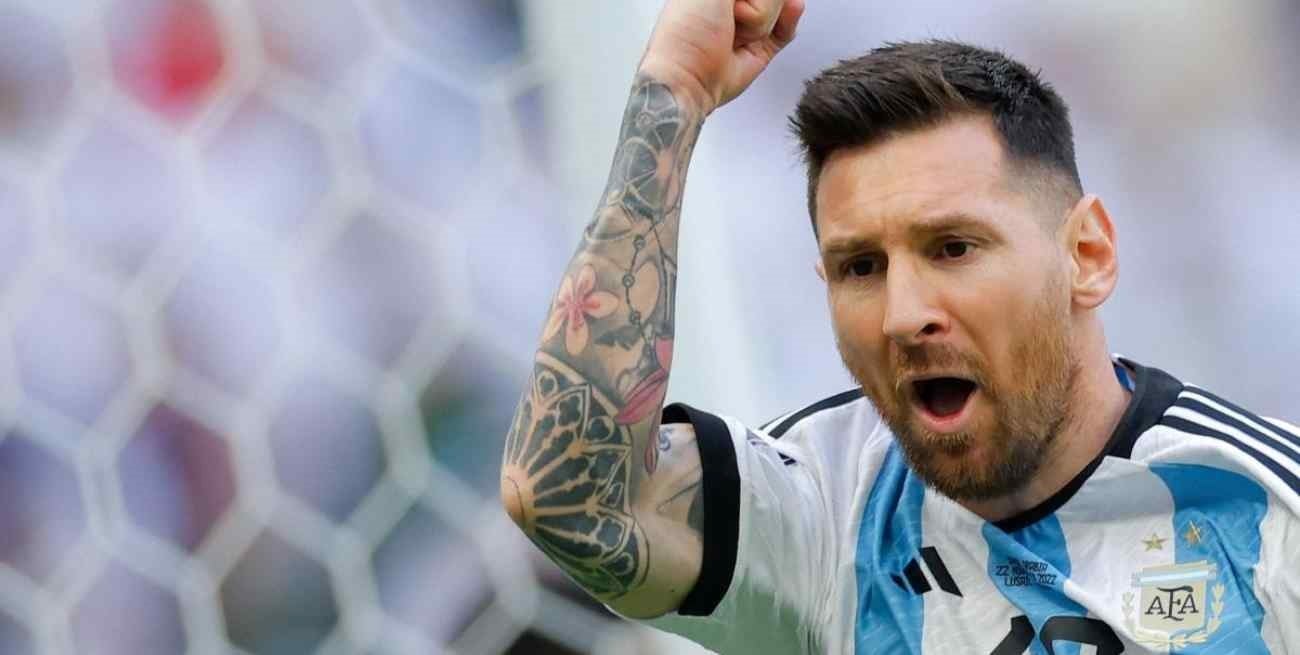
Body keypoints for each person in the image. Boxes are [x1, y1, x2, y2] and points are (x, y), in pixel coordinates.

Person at [499, 0, 1300, 652]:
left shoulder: (1270, 515)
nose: (904, 314)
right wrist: (672, 93)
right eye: (860, 267)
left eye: (954, 248)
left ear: (1086, 255)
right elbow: (567, 499)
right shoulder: (825, 512)